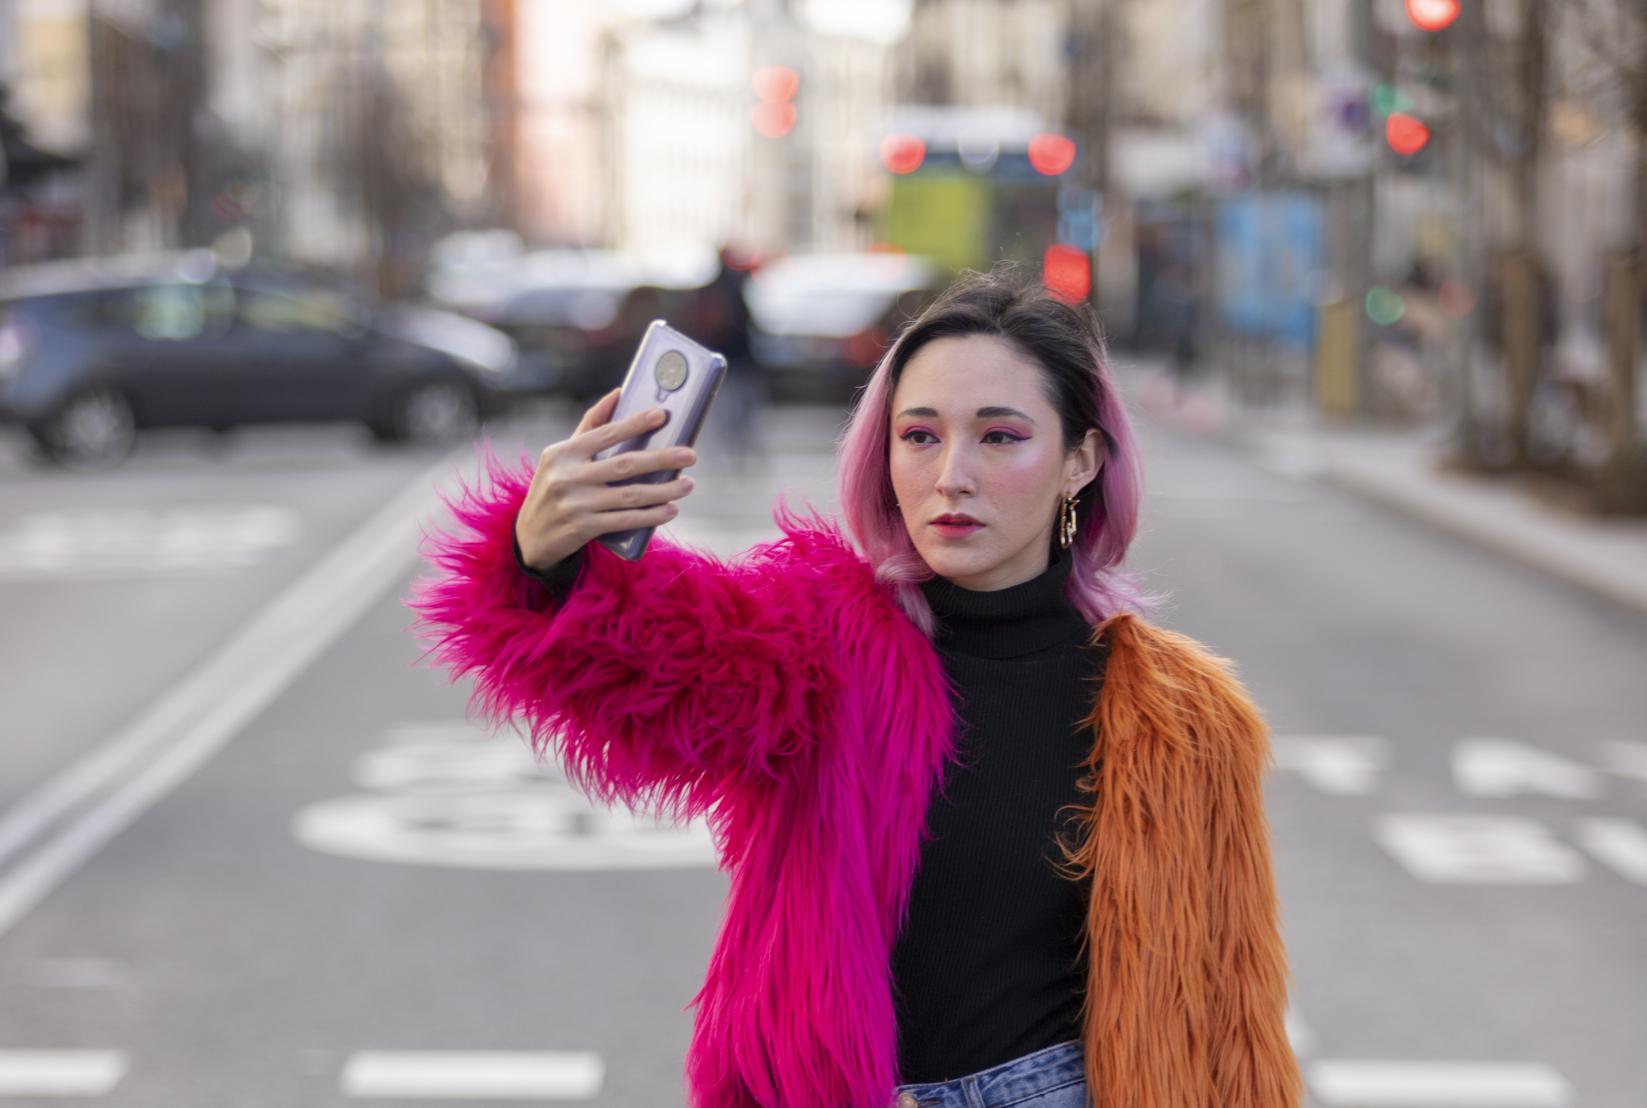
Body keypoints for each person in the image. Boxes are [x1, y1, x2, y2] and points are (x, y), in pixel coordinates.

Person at [408, 265, 1304, 1108]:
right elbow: (638, 655)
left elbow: (1221, 1020)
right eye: (919, 436)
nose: (951, 475)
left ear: (1080, 460)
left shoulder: (1181, 718)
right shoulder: (816, 645)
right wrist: (545, 554)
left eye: (1000, 436)